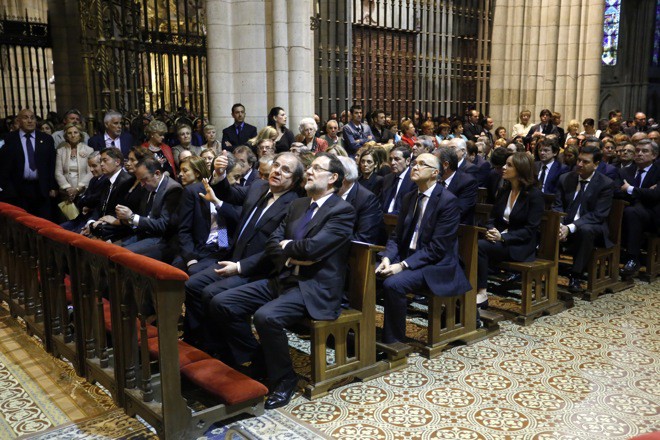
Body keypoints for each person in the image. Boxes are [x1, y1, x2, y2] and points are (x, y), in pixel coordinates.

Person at [209, 153, 354, 409]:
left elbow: (313, 249)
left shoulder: (342, 210)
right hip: (283, 278)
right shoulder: (298, 205)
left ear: (332, 178)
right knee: (222, 302)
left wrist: (291, 249)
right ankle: (258, 358)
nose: (309, 171)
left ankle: (285, 379)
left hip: (313, 287)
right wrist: (291, 253)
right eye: (309, 167)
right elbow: (273, 244)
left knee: (267, 316)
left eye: (316, 168)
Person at [181, 152, 302, 353]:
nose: (277, 171)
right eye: (276, 165)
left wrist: (239, 267)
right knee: (192, 284)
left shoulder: (295, 205)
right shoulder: (258, 186)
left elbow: (274, 251)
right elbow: (229, 194)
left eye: (285, 170)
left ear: (295, 180)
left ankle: (238, 352)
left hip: (260, 269)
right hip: (234, 258)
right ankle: (199, 341)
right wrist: (219, 175)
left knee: (212, 294)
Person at [376, 152, 470, 344]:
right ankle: (369, 334)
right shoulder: (410, 197)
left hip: (436, 264)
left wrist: (401, 265)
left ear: (435, 172)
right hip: (410, 256)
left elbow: (437, 248)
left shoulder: (447, 201)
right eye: (414, 163)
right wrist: (387, 258)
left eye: (422, 164)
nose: (415, 167)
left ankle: (394, 342)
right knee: (371, 273)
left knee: (393, 284)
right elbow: (396, 236)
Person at [476, 152, 544, 309]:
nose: (503, 168)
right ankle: (468, 288)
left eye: (509, 165)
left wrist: (503, 237)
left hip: (520, 245)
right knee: (468, 243)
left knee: (480, 246)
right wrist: (491, 230)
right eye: (505, 164)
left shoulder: (534, 195)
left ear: (521, 169)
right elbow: (492, 218)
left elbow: (529, 230)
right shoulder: (504, 190)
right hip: (500, 240)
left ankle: (482, 292)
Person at [553, 145, 614, 293]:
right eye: (579, 160)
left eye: (585, 162)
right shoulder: (565, 178)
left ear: (596, 164)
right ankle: (540, 270)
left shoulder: (605, 184)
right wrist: (560, 225)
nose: (579, 164)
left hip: (593, 226)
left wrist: (570, 228)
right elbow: (557, 206)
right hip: (566, 224)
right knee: (545, 225)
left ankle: (576, 275)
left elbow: (598, 215)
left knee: (585, 230)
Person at [174, 156, 239, 274]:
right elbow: (184, 230)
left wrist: (217, 202)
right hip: (201, 248)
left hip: (225, 248)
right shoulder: (193, 191)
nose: (238, 181)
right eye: (235, 177)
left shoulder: (236, 193)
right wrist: (190, 258)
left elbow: (237, 220)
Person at [115, 156, 183, 261]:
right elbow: (144, 216)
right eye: (140, 180)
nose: (142, 184)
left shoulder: (173, 189)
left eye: (144, 179)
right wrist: (127, 218)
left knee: (123, 256)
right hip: (143, 234)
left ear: (157, 174)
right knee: (111, 250)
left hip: (161, 239)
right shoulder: (148, 186)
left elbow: (163, 225)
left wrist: (132, 217)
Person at [615, 139, 660, 277]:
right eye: (638, 151)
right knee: (627, 212)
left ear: (654, 155)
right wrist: (643, 192)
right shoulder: (625, 171)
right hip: (629, 213)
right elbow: (615, 191)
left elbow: (656, 195)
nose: (639, 154)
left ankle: (632, 258)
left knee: (632, 212)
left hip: (653, 216)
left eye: (644, 151)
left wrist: (630, 189)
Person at [3, 109, 57, 219]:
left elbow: (51, 164)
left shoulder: (46, 139)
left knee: (43, 222)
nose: (30, 121)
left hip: (41, 188)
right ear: (18, 121)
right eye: (25, 118)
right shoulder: (10, 139)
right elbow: (5, 166)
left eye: (32, 118)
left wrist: (53, 186)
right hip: (19, 189)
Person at [337, 156, 384, 244]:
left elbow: (364, 237)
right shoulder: (327, 193)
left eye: (332, 173)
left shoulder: (367, 199)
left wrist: (328, 243)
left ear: (345, 175)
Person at [60, 151, 107, 232]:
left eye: (94, 166)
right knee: (59, 228)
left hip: (92, 220)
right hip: (81, 217)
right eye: (90, 166)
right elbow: (81, 200)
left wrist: (85, 201)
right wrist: (85, 201)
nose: (91, 170)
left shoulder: (106, 180)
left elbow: (94, 200)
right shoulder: (93, 180)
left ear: (102, 164)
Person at [436, 146, 478, 225]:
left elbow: (459, 211)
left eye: (434, 163)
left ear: (445, 165)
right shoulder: (433, 179)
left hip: (457, 227)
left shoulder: (468, 182)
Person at [54, 123, 94, 206]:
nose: (73, 135)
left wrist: (78, 188)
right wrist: (68, 188)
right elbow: (58, 172)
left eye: (76, 132)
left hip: (83, 191)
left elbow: (91, 172)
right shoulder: (61, 151)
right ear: (66, 136)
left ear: (80, 135)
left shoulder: (89, 150)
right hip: (66, 193)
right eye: (69, 133)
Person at [380, 144, 416, 214]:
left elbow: (410, 208)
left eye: (397, 159)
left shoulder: (414, 180)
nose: (392, 163)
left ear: (408, 161)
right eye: (391, 159)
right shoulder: (387, 178)